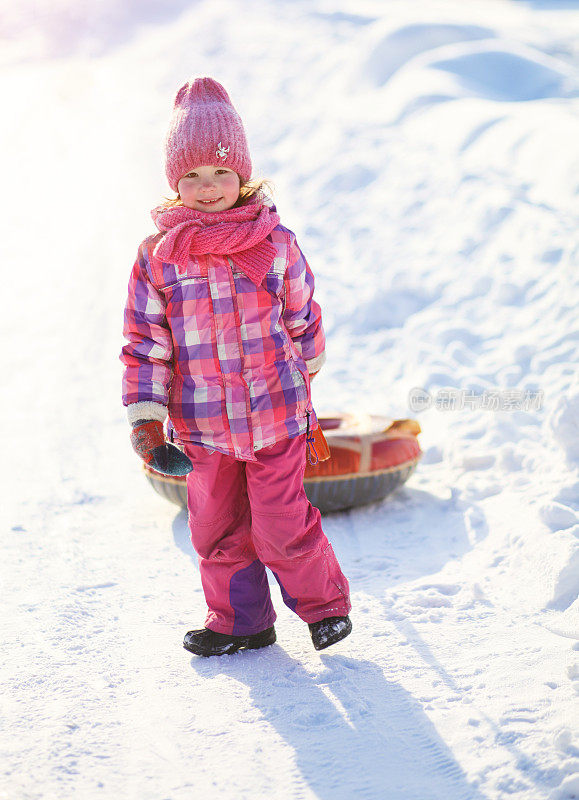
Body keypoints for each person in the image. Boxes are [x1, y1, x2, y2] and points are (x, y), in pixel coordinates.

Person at [120, 77, 352, 657]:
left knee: (281, 523)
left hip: (274, 413)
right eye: (192, 177)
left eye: (221, 173)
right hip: (202, 424)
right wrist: (146, 420)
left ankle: (324, 608)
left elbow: (301, 312)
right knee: (217, 530)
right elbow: (145, 342)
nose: (208, 188)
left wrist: (306, 372)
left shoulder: (273, 242)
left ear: (243, 176)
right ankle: (241, 621)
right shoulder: (159, 256)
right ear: (175, 184)